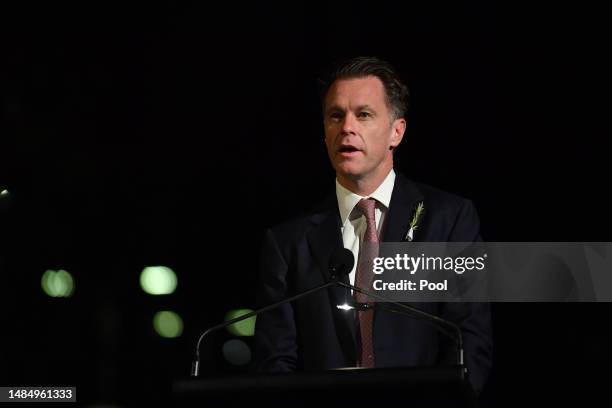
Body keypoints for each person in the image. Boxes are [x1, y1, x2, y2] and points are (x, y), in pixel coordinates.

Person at [253, 56, 492, 393]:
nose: (347, 127)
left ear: (397, 131)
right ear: (324, 132)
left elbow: (469, 342)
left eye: (363, 115)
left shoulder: (449, 220)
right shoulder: (287, 243)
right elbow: (274, 361)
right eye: (336, 116)